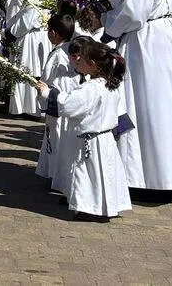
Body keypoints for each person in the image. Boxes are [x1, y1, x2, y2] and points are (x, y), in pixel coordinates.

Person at [102, 0, 172, 193]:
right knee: (166, 103)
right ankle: (168, 173)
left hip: (145, 42)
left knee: (143, 103)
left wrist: (109, 25)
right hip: (167, 36)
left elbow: (133, 14)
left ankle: (144, 176)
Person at [34, 40, 133, 221]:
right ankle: (108, 206)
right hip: (105, 141)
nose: (77, 61)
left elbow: (68, 103)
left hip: (92, 141)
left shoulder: (90, 88)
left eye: (82, 59)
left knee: (88, 176)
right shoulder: (109, 84)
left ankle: (90, 209)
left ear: (92, 64)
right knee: (106, 175)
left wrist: (47, 92)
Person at [38, 12, 79, 197]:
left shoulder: (56, 54)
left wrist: (42, 92)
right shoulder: (75, 49)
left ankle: (56, 176)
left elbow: (47, 77)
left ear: (54, 33)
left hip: (57, 98)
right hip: (71, 99)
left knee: (55, 138)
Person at [4, 0, 50, 117]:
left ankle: (32, 108)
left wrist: (10, 32)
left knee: (30, 69)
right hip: (34, 38)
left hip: (32, 40)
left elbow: (26, 21)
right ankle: (25, 106)